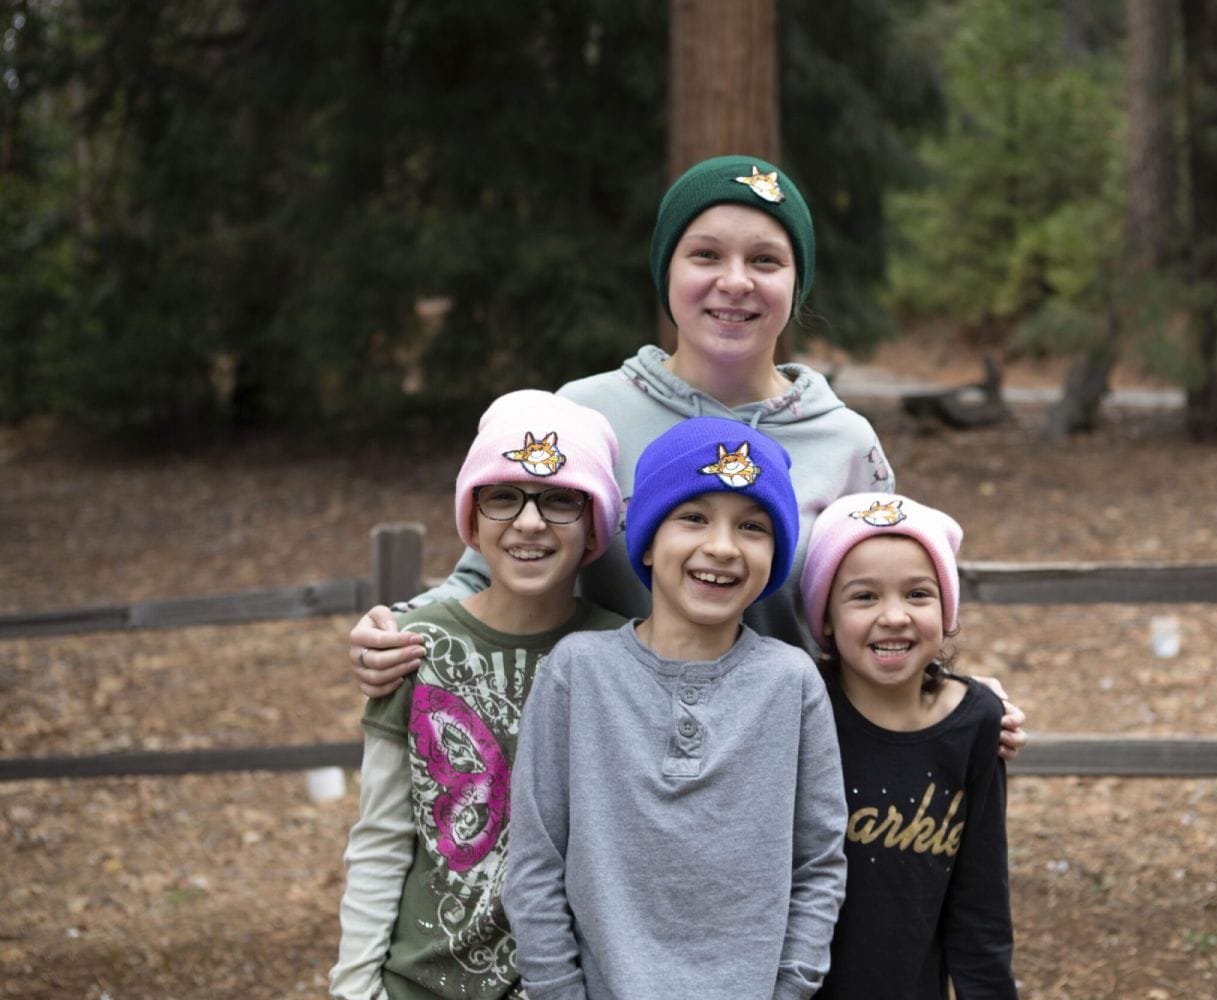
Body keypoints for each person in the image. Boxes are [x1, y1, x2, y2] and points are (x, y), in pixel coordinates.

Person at [345, 153, 1028, 749]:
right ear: (666, 269)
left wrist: (952, 698)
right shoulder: (583, 412)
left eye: (766, 259)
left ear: (798, 282)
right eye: (706, 254)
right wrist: (401, 630)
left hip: (774, 770)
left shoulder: (845, 442)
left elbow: (880, 604)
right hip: (597, 764)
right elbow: (485, 575)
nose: (736, 281)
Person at [501, 417, 847, 1000]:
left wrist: (790, 988)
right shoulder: (578, 672)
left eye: (753, 527)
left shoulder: (793, 683)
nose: (721, 546)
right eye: (693, 517)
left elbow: (819, 863)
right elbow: (536, 866)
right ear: (648, 535)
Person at [329, 390, 625, 1000]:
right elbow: (382, 838)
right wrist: (355, 989)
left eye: (561, 500)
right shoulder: (416, 648)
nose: (530, 521)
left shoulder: (622, 655)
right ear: (472, 517)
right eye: (503, 496)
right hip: (421, 984)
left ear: (596, 523)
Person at [800, 492, 1018, 999]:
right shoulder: (802, 710)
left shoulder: (975, 723)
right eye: (864, 597)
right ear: (825, 618)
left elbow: (980, 902)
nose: (894, 616)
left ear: (947, 611)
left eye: (918, 594)